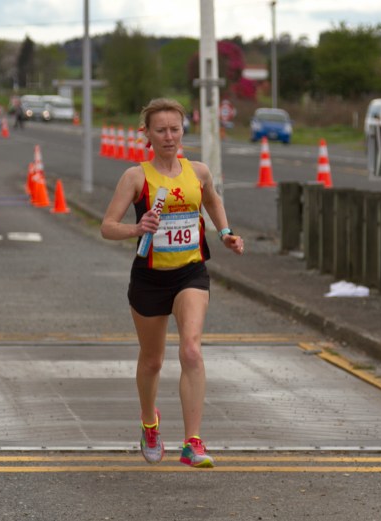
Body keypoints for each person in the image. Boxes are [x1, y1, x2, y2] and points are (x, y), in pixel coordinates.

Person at [100, 98, 244, 468]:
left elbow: (212, 200)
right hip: (149, 278)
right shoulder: (135, 177)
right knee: (152, 361)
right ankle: (150, 423)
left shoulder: (197, 171)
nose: (169, 136)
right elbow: (107, 227)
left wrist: (226, 232)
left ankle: (192, 443)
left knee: (192, 351)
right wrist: (137, 227)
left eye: (175, 129)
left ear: (183, 131)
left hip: (190, 272)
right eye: (160, 130)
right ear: (146, 134)